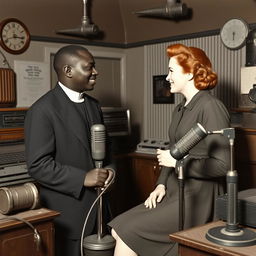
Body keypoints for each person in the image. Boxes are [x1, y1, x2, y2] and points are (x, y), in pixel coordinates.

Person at [108, 43, 230, 256]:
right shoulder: (180, 107)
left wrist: (178, 164)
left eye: (172, 70)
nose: (167, 77)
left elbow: (223, 165)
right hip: (175, 189)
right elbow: (173, 150)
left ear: (190, 73)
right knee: (117, 229)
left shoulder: (211, 106)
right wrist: (161, 184)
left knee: (127, 233)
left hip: (199, 196)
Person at [25, 45, 115, 256]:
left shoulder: (94, 105)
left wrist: (111, 171)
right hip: (69, 217)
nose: (96, 72)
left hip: (102, 211)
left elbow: (108, 150)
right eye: (89, 67)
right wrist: (83, 178)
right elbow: (38, 166)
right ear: (68, 71)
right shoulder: (42, 111)